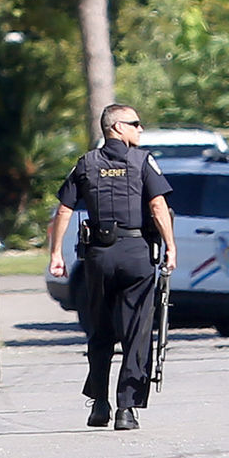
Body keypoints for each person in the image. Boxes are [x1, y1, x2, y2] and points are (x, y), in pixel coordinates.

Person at [49, 104, 176, 431]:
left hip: (99, 257)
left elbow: (63, 211)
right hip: (136, 253)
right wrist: (171, 247)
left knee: (100, 331)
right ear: (117, 127)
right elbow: (158, 205)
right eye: (135, 123)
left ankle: (99, 405)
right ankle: (126, 408)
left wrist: (55, 255)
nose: (140, 129)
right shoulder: (142, 161)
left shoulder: (86, 164)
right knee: (137, 332)